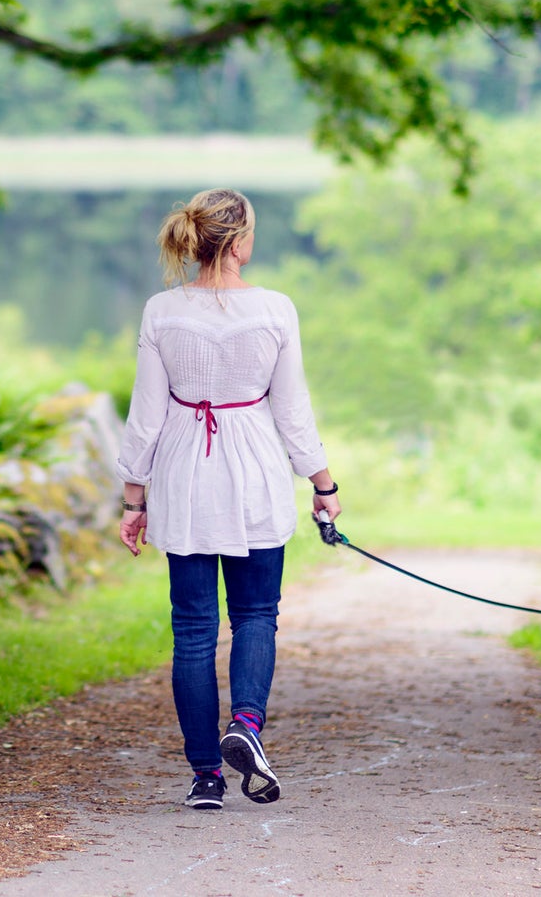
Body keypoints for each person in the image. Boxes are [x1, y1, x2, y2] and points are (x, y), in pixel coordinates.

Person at [115, 187, 341, 811]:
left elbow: (146, 415)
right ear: (239, 243)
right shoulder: (274, 309)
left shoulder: (162, 311)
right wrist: (323, 486)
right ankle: (246, 723)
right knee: (255, 615)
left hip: (187, 471)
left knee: (192, 632)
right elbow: (292, 411)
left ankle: (206, 777)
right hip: (256, 472)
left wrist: (134, 499)